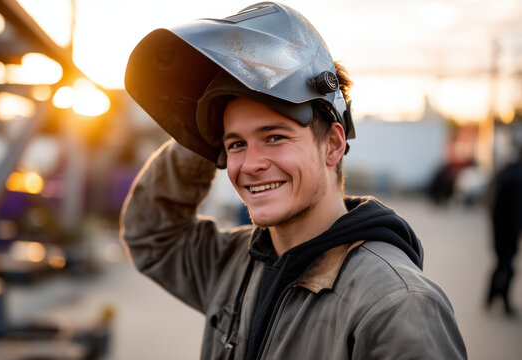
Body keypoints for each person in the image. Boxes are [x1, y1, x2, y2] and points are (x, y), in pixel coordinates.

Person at [121, 2, 467, 359]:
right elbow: (152, 235)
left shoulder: (395, 306)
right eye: (236, 143)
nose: (251, 164)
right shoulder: (235, 263)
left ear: (332, 144)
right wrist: (199, 134)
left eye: (274, 137)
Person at [486, 146, 522, 316]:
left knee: (501, 263)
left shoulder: (506, 171)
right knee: (507, 266)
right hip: (509, 229)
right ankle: (503, 301)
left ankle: (490, 296)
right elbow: (516, 209)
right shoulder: (518, 176)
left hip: (497, 227)